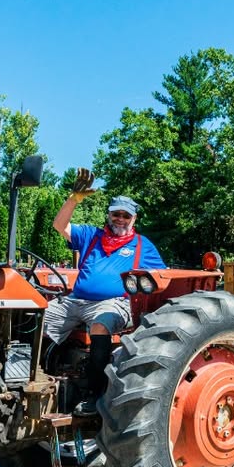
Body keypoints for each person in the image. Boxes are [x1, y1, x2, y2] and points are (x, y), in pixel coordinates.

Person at [45, 169, 166, 415]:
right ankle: (42, 377)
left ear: (134, 219)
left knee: (100, 324)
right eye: (116, 214)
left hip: (114, 303)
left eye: (125, 215)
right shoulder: (92, 235)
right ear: (108, 215)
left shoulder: (142, 245)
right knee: (39, 316)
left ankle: (95, 393)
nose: (120, 219)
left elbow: (163, 277)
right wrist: (74, 198)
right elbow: (59, 225)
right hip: (75, 301)